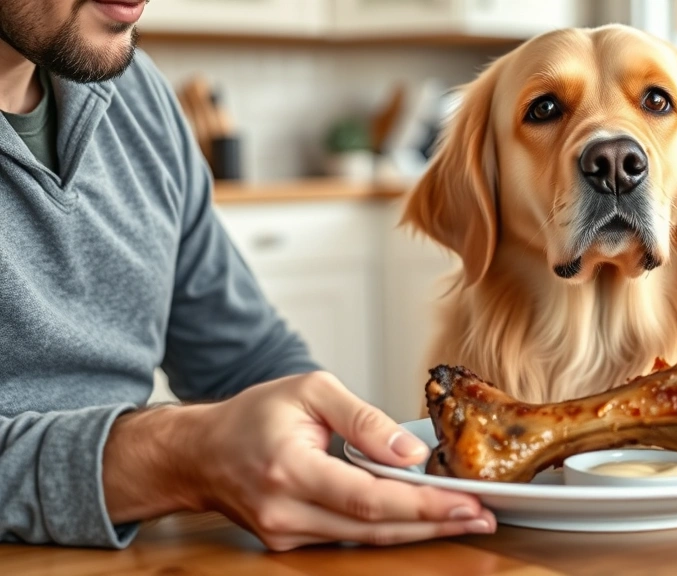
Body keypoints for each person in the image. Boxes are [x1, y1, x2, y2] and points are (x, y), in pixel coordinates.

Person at [0, 0, 495, 551]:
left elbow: (245, 361)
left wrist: (368, 459)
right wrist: (172, 455)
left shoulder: (135, 94)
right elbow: (188, 449)